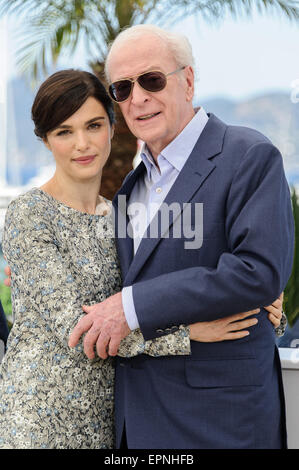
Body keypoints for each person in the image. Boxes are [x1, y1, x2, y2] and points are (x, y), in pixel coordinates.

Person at [0, 69, 282, 449]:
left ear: (113, 128)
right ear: (46, 140)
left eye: (94, 125)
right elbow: (78, 330)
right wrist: (188, 336)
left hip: (111, 417)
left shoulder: (122, 213)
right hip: (40, 418)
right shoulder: (28, 214)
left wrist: (253, 299)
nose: (82, 143)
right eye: (64, 131)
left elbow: (171, 277)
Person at [69, 25, 294, 449]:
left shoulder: (249, 155)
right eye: (121, 88)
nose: (138, 98)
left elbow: (258, 272)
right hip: (134, 427)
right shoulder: (128, 192)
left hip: (221, 425)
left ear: (188, 80)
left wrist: (131, 306)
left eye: (152, 80)